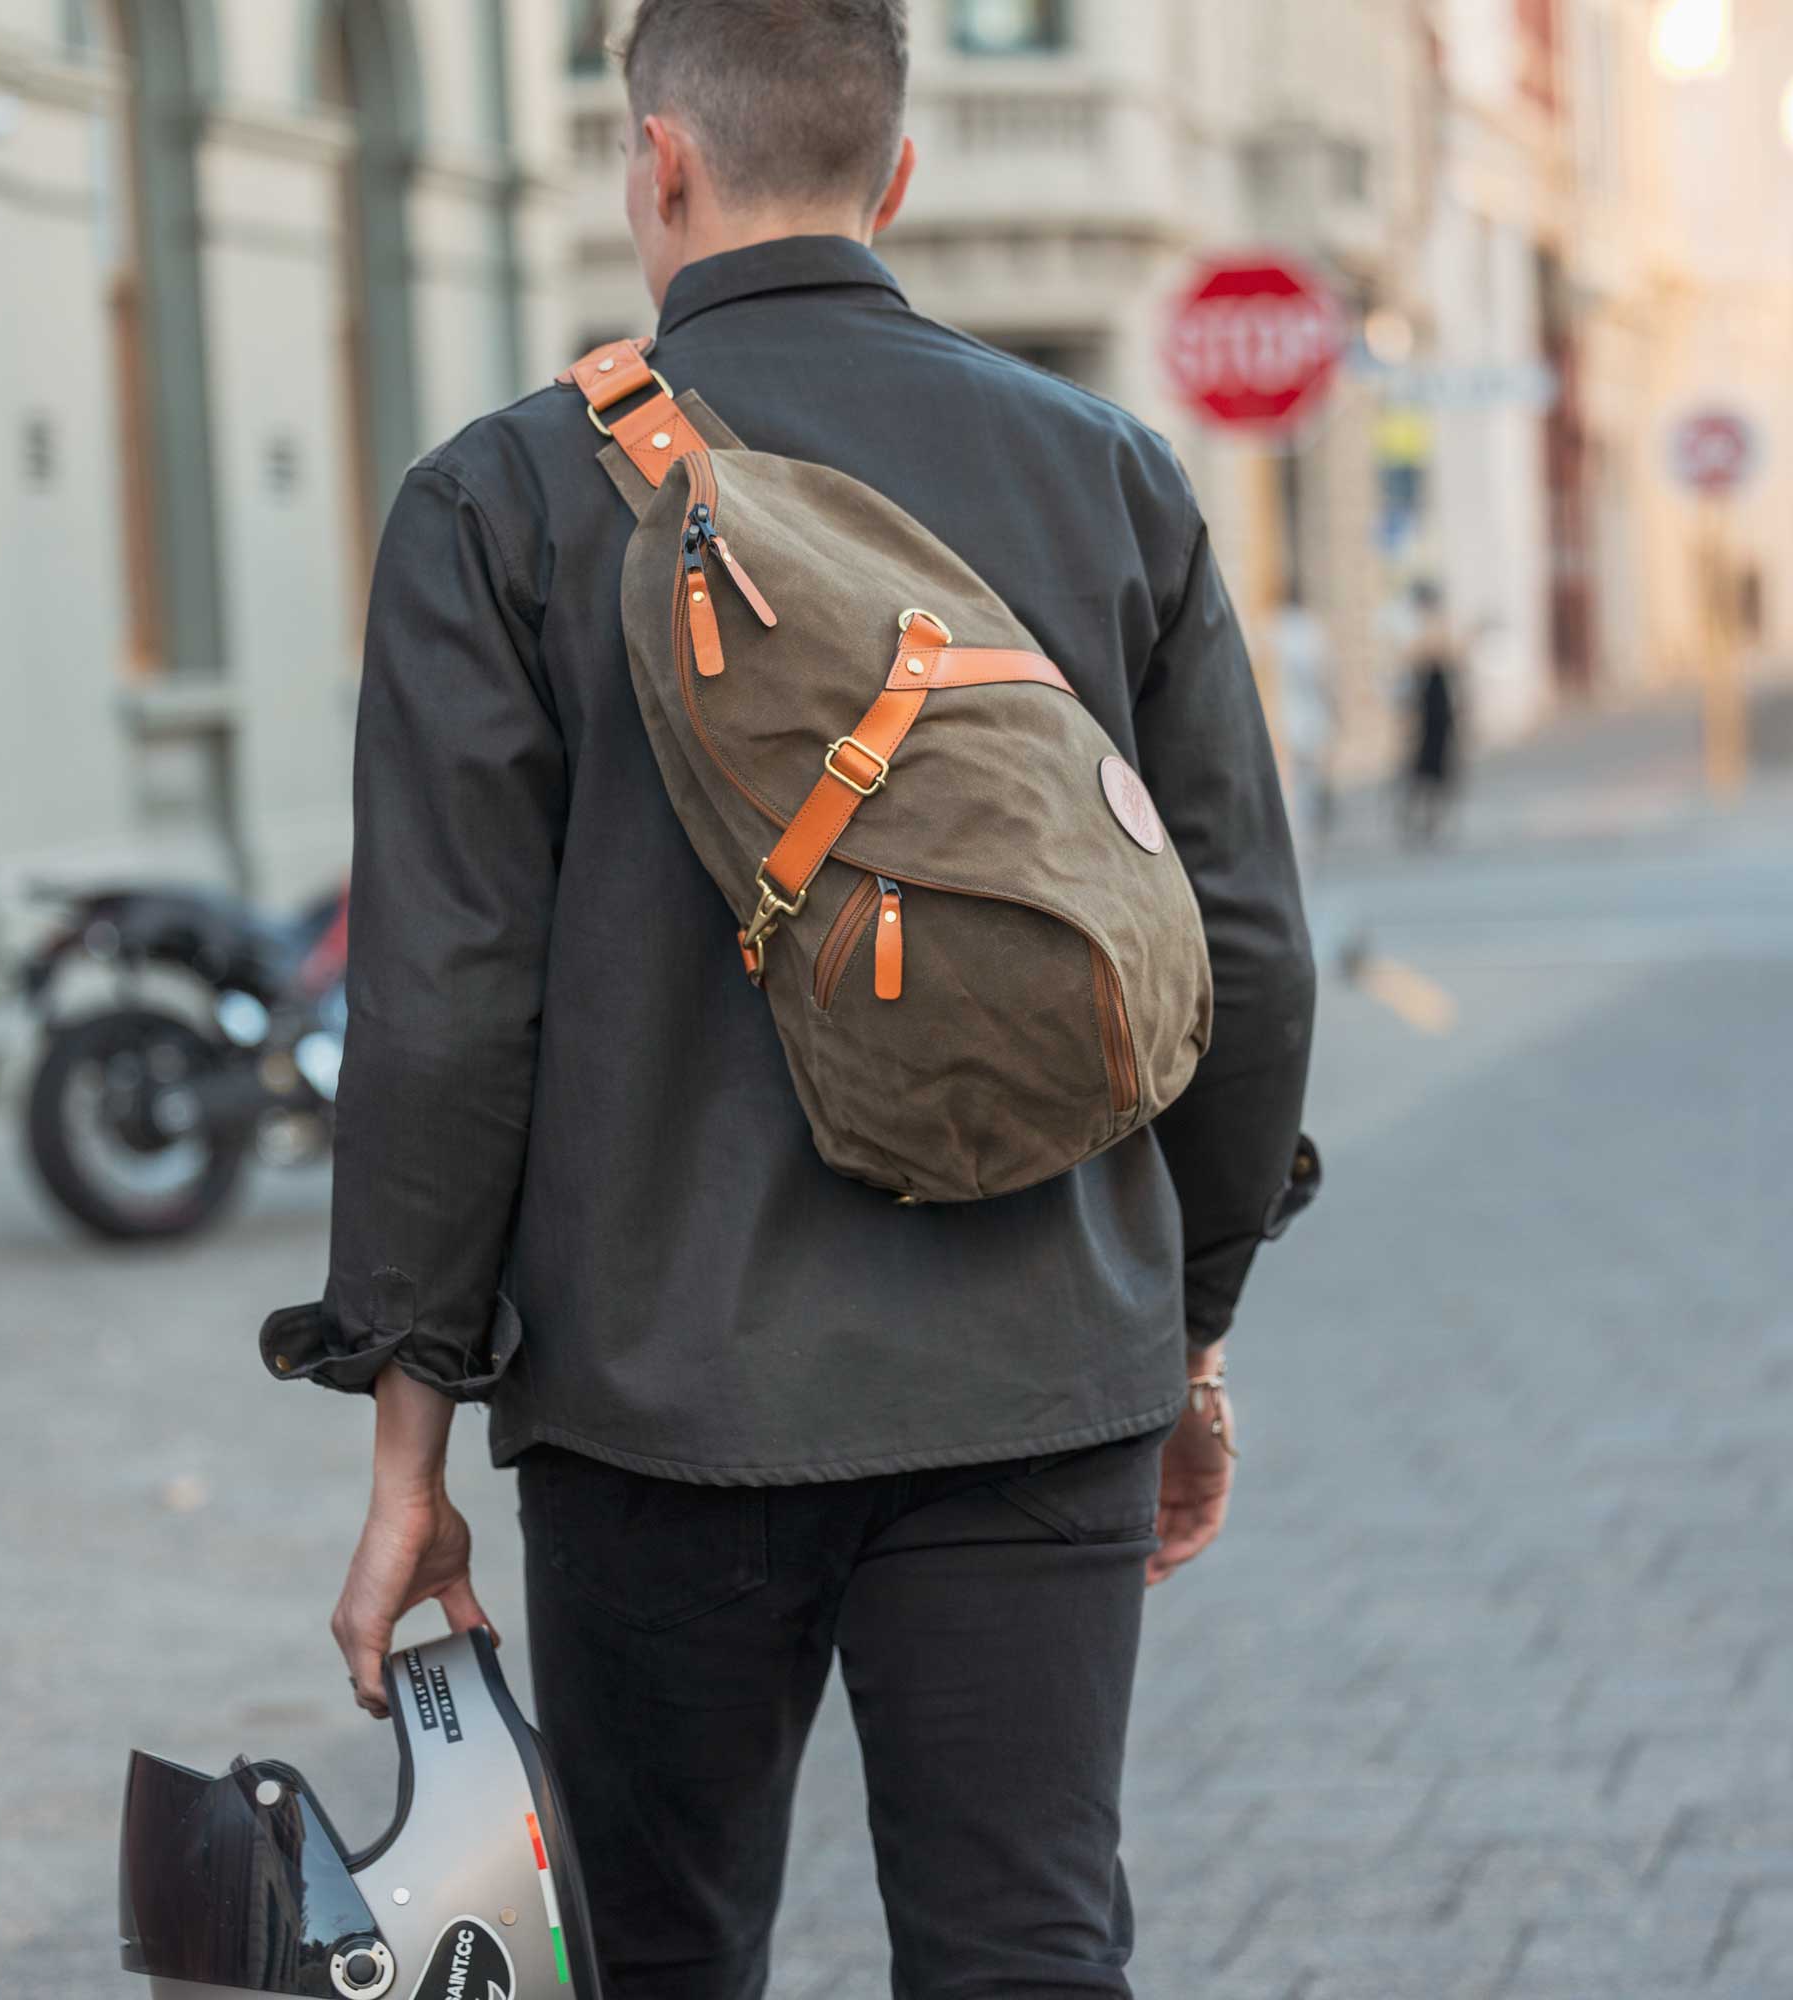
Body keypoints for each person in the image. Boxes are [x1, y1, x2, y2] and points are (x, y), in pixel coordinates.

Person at [261, 3, 1317, 1993]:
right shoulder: (1112, 479)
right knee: (1026, 1941)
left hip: (660, 1409)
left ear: (653, 160)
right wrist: (1185, 1335)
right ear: (894, 178)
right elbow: (1241, 957)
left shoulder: (503, 502)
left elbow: (443, 1008)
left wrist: (406, 1449)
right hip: (1041, 1368)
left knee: (663, 1955)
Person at [1398, 576, 1468, 846]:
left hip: (1436, 709)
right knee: (1425, 769)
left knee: (1432, 769)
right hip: (1431, 709)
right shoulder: (1429, 631)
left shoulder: (1433, 631)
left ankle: (1430, 818)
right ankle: (1425, 818)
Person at [1271, 583, 1339, 844]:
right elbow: (1326, 676)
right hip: (1311, 715)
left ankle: (1296, 832)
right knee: (1308, 780)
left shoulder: (1273, 629)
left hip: (1283, 717)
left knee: (1291, 782)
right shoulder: (1313, 630)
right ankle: (1306, 834)